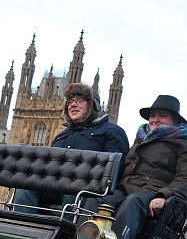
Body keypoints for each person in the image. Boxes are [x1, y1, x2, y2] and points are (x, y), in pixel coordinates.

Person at [98, 95, 187, 239]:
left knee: (132, 203)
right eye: (153, 115)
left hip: (155, 194)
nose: (155, 119)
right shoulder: (141, 139)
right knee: (96, 198)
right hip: (126, 188)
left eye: (162, 115)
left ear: (175, 120)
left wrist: (164, 195)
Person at [13, 83, 129, 213]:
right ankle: (21, 230)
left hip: (85, 189)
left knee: (74, 189)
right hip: (55, 186)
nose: (72, 105)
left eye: (79, 101)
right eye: (70, 102)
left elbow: (115, 169)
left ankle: (65, 232)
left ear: (92, 106)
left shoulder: (112, 131)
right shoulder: (62, 134)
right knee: (26, 188)